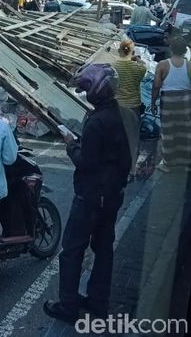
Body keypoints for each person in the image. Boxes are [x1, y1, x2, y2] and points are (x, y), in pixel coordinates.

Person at [44, 64, 133, 324]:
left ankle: (69, 306)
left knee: (72, 250)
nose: (84, 92)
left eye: (86, 88)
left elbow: (87, 162)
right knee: (104, 249)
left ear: (96, 90)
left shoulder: (96, 122)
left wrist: (72, 145)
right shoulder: (124, 115)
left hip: (91, 196)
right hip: (113, 194)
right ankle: (98, 302)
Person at [151, 36, 191, 172]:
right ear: (185, 50)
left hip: (168, 101)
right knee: (185, 131)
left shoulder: (162, 64)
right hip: (186, 101)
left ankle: (168, 163)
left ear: (171, 48)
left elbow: (156, 86)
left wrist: (152, 103)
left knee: (168, 132)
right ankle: (186, 163)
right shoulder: (189, 65)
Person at [114, 39, 147, 177]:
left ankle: (117, 166)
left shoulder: (113, 66)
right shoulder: (138, 68)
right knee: (133, 139)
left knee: (117, 138)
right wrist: (137, 58)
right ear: (132, 53)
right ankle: (132, 169)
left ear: (120, 52)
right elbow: (144, 66)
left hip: (118, 107)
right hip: (133, 107)